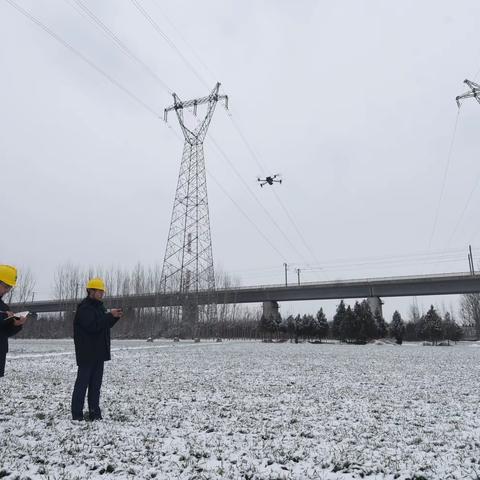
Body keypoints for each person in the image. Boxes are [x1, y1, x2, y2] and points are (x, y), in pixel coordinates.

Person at [71, 277, 123, 421]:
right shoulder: (85, 308)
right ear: (90, 291)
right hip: (87, 353)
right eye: (98, 291)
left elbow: (103, 325)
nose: (101, 294)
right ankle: (77, 414)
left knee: (95, 386)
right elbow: (93, 326)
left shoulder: (99, 307)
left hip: (98, 352)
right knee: (82, 385)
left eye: (102, 291)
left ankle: (95, 413)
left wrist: (114, 317)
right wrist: (108, 316)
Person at [0, 265, 27, 377]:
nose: (7, 291)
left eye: (9, 288)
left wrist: (16, 324)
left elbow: (5, 333)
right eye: (6, 287)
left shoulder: (4, 307)